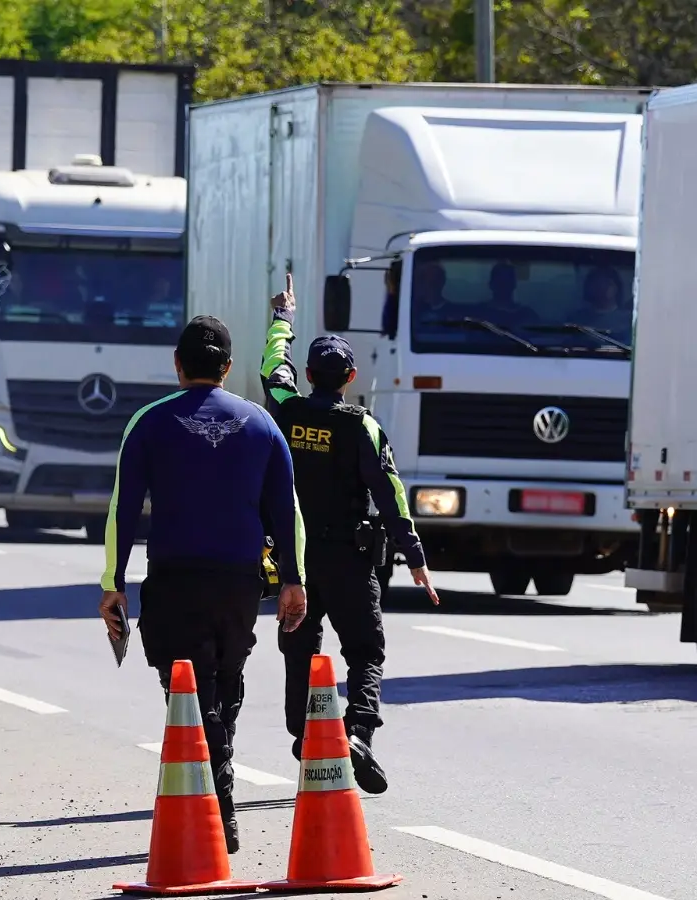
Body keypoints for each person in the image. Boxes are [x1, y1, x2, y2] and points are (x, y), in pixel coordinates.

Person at [98, 314, 308, 854]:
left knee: (186, 693)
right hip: (238, 582)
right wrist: (293, 579)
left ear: (177, 363)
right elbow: (287, 511)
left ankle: (220, 806)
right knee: (225, 683)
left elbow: (123, 507)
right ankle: (220, 800)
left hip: (174, 580)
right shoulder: (262, 424)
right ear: (229, 367)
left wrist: (113, 582)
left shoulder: (148, 422)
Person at [260, 273, 440, 795]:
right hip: (351, 557)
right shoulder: (362, 426)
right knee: (365, 652)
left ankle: (305, 734)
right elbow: (391, 493)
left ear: (309, 374)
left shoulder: (287, 411)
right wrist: (415, 557)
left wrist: (283, 319)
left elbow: (274, 366)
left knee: (300, 645)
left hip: (295, 558)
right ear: (351, 376)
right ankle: (358, 732)